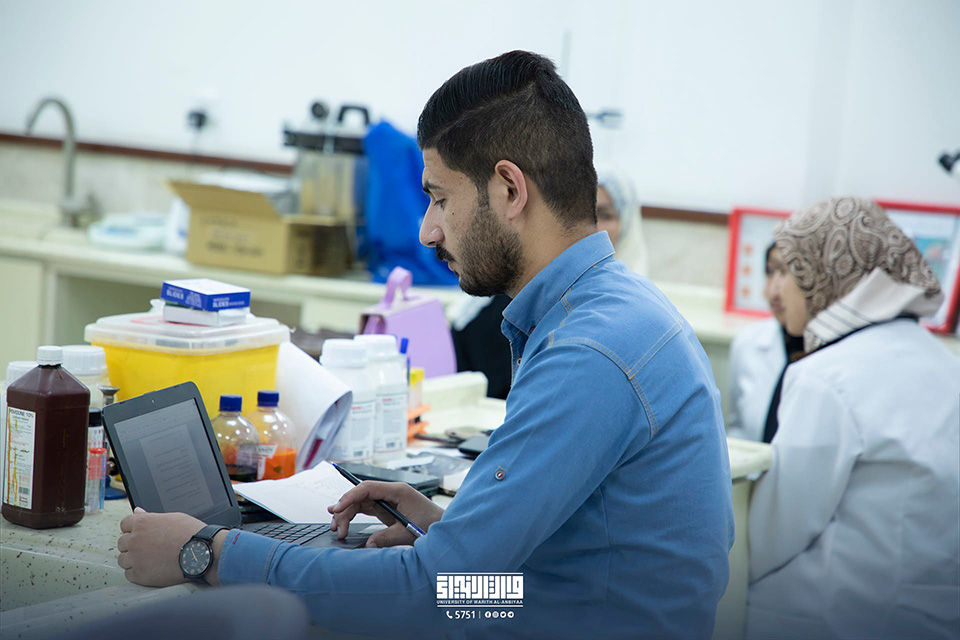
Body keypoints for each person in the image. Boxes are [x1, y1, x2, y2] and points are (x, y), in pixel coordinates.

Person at [117, 51, 734, 639]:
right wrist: (445, 529)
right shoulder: (616, 309)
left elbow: (431, 594)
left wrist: (208, 552)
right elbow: (570, 567)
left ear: (510, 190)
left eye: (440, 198)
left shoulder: (589, 354)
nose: (427, 231)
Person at [746, 197, 960, 639]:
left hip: (833, 616)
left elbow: (773, 534)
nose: (775, 292)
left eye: (790, 270)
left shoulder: (827, 376)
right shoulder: (945, 366)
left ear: (828, 273)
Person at [452, 167, 648, 400]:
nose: (593, 226)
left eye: (604, 215)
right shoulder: (511, 300)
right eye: (582, 213)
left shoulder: (641, 311)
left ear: (626, 224)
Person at [725, 244, 803, 442]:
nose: (772, 292)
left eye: (786, 273)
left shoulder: (837, 351)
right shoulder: (747, 343)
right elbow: (737, 427)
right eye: (770, 272)